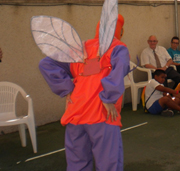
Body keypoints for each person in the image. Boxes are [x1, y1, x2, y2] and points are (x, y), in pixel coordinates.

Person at [39, 14, 130, 171]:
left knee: (77, 164)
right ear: (119, 31)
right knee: (109, 164)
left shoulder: (80, 48)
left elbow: (46, 63)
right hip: (103, 114)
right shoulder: (118, 48)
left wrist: (66, 88)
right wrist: (108, 98)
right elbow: (121, 68)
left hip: (75, 114)